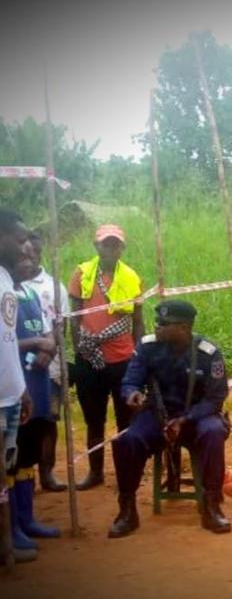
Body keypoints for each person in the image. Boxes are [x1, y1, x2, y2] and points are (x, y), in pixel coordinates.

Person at [109, 299, 232, 538]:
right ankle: (127, 510)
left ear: (184, 328)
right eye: (157, 322)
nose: (157, 327)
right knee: (127, 441)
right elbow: (130, 380)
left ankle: (212, 506)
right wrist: (131, 393)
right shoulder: (147, 347)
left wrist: (186, 419)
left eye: (165, 324)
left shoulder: (208, 353)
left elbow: (215, 398)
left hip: (196, 417)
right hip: (158, 415)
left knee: (214, 432)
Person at [68, 224, 143, 490]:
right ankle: (95, 472)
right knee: (94, 420)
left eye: (115, 244)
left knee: (126, 420)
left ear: (122, 247)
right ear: (96, 246)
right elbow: (74, 318)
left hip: (123, 359)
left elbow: (138, 321)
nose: (110, 249)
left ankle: (126, 472)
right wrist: (81, 350)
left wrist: (139, 355)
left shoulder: (132, 277)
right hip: (90, 359)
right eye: (105, 244)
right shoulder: (82, 273)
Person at [10, 252, 61, 546]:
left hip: (38, 382)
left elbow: (49, 333)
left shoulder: (30, 292)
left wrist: (48, 347)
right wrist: (36, 343)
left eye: (30, 257)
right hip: (16, 385)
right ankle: (13, 525)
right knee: (12, 458)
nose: (28, 261)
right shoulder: (4, 294)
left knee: (28, 454)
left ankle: (28, 520)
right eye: (21, 256)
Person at [0, 208, 36, 563]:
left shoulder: (7, 282)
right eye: (21, 238)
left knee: (4, 477)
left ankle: (6, 546)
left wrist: (21, 389)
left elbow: (6, 342)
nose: (27, 247)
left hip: (11, 396)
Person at [23, 231, 69, 492]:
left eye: (33, 252)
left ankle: (47, 473)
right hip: (17, 367)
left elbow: (61, 326)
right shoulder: (8, 283)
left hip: (49, 368)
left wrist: (50, 352)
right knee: (21, 424)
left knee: (48, 420)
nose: (29, 256)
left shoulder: (53, 287)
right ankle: (23, 477)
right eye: (25, 251)